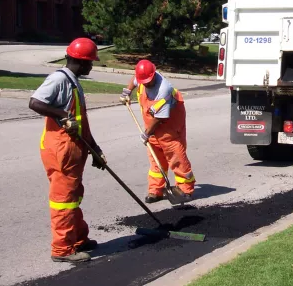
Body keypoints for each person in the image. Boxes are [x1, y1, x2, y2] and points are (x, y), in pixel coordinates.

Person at [29, 37, 106, 263]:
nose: (92, 66)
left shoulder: (73, 81)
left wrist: (95, 149)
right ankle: (62, 249)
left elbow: (81, 122)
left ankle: (79, 238)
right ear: (81, 62)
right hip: (61, 151)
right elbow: (34, 103)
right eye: (91, 62)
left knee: (73, 197)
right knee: (64, 200)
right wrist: (63, 116)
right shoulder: (59, 80)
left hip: (73, 149)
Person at [119, 60, 195, 204]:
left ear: (153, 75)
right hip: (152, 126)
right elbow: (135, 81)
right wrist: (127, 91)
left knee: (176, 157)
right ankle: (156, 190)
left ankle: (186, 189)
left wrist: (146, 134)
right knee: (155, 159)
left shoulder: (163, 89)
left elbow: (159, 118)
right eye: (143, 82)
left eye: (148, 81)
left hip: (169, 126)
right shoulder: (142, 76)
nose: (145, 84)